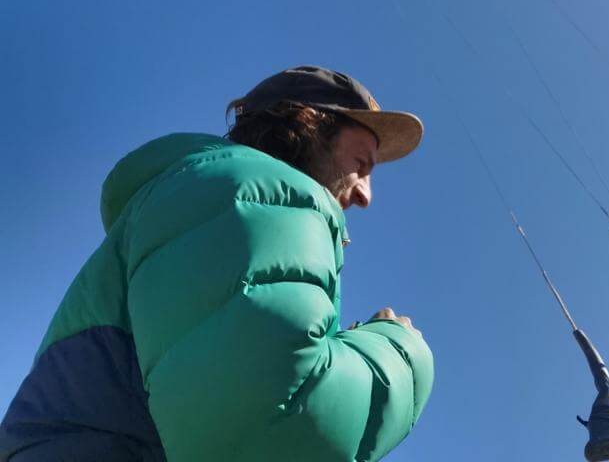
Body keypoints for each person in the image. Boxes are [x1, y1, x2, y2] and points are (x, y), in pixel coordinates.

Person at [0, 66, 434, 462]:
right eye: (361, 164)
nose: (365, 195)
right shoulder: (250, 195)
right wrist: (399, 350)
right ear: (308, 123)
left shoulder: (200, 203)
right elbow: (273, 427)